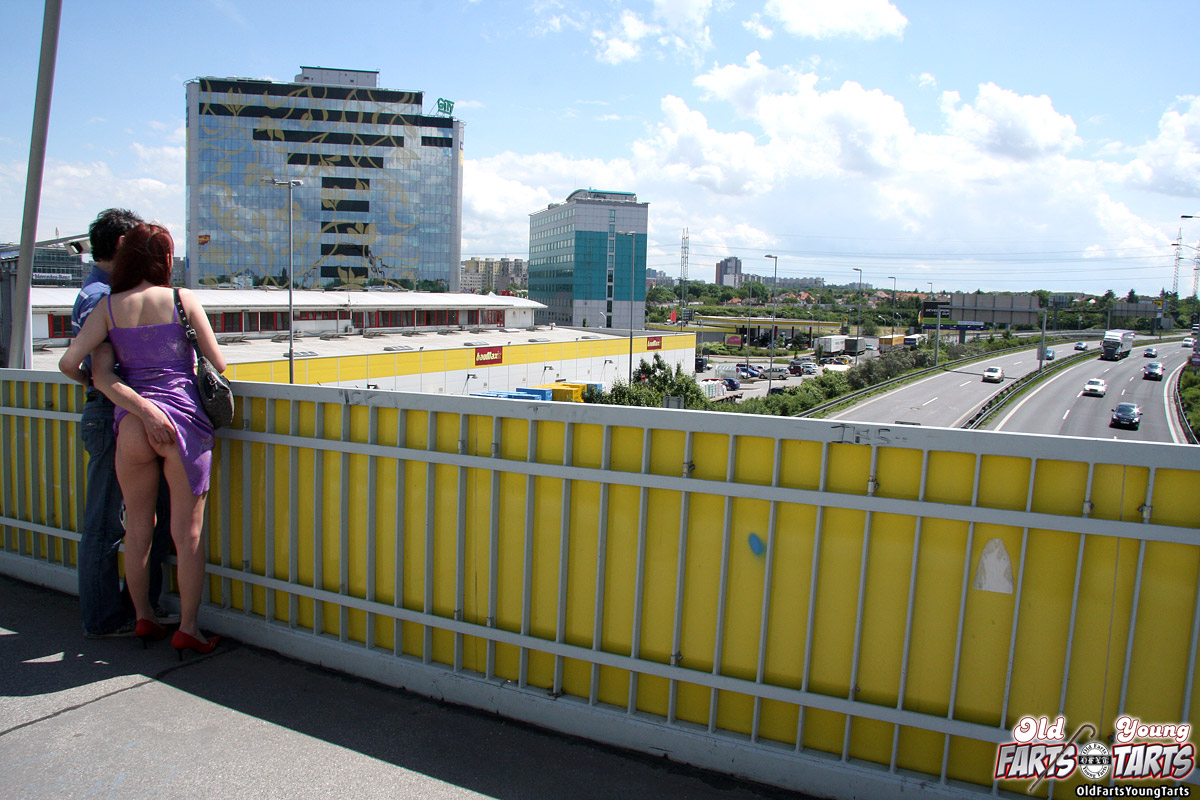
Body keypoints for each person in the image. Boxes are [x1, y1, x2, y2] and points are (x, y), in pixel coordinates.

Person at [61, 223, 226, 656]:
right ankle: (188, 628)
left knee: (137, 529)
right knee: (187, 533)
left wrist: (104, 386)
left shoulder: (108, 307)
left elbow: (71, 364)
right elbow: (219, 362)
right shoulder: (182, 299)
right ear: (165, 259)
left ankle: (143, 618)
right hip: (182, 422)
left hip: (132, 422)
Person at [71, 208, 173, 639]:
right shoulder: (104, 297)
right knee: (107, 522)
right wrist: (102, 390)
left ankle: (136, 610)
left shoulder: (98, 292)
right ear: (121, 245)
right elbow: (97, 368)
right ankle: (107, 618)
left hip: (118, 411)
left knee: (132, 519)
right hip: (118, 411)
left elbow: (75, 365)